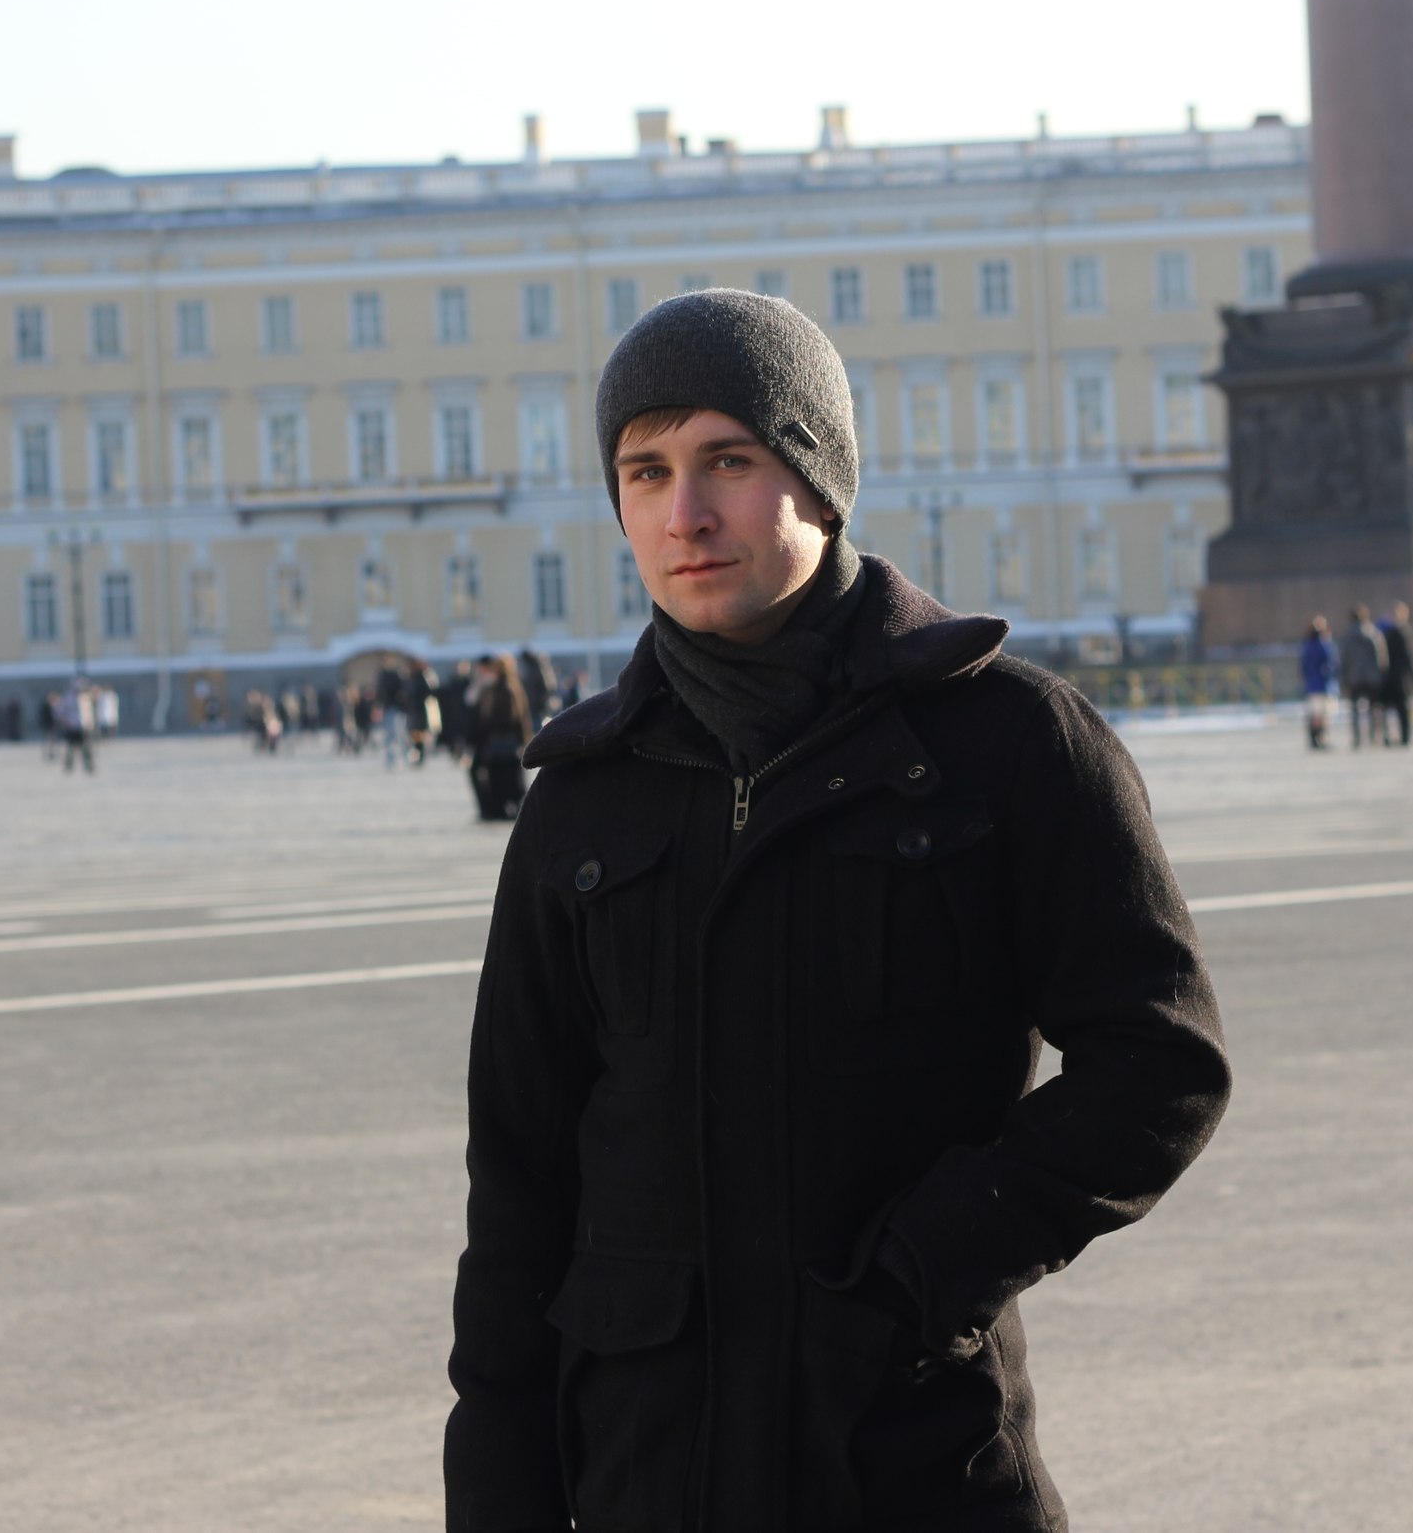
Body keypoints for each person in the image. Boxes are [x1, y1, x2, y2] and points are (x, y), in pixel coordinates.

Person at [445, 289, 1230, 1531]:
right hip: (647, 1471)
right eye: (645, 473)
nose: (684, 514)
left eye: (728, 461)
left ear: (818, 481)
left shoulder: (1005, 742)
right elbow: (518, 1188)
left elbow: (1160, 1061)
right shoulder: (581, 802)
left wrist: (930, 1270)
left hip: (914, 1463)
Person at [465, 653, 534, 821]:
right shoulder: (501, 687)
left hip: (500, 742)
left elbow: (507, 717)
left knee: (505, 779)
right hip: (499, 742)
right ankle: (497, 810)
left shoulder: (503, 689)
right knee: (505, 779)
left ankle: (497, 810)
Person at [1336, 604, 1386, 750]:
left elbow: (1343, 659)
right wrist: (1381, 673)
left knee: (1355, 709)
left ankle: (1357, 737)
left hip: (1354, 677)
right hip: (1372, 676)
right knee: (1374, 708)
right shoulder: (1374, 633)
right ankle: (1374, 735)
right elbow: (1381, 656)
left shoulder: (1347, 636)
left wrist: (1343, 677)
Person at [1378, 601, 1413, 747]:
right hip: (1399, 676)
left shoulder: (1384, 632)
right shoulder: (1403, 632)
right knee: (1402, 709)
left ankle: (1388, 736)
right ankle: (1404, 736)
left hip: (1388, 675)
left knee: (1387, 708)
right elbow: (1409, 656)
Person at [1298, 614, 1337, 751]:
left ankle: (1313, 738)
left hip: (1311, 685)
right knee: (1324, 713)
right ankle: (1321, 738)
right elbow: (1331, 665)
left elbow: (1303, 667)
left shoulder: (1306, 646)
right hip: (1324, 684)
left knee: (1314, 713)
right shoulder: (1325, 645)